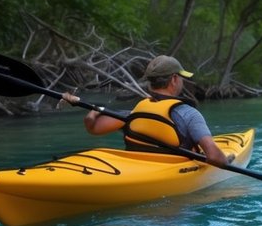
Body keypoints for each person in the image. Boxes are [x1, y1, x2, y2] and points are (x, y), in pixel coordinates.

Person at [62, 54, 231, 166]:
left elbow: (93, 128)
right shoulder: (188, 113)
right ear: (174, 79)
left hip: (136, 167)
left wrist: (93, 111)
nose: (182, 81)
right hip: (171, 174)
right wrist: (228, 161)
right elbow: (215, 157)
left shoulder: (135, 112)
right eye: (180, 78)